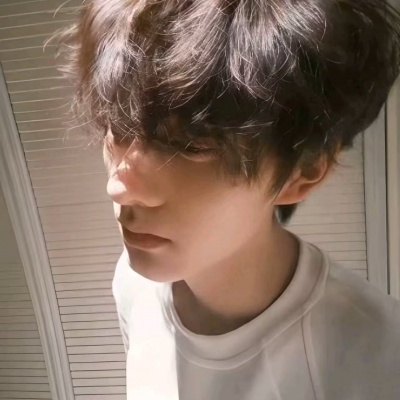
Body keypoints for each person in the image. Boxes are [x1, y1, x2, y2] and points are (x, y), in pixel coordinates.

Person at [58, 0, 400, 398]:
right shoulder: (133, 284)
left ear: (301, 173)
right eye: (117, 127)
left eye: (189, 145)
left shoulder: (379, 355)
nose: (119, 187)